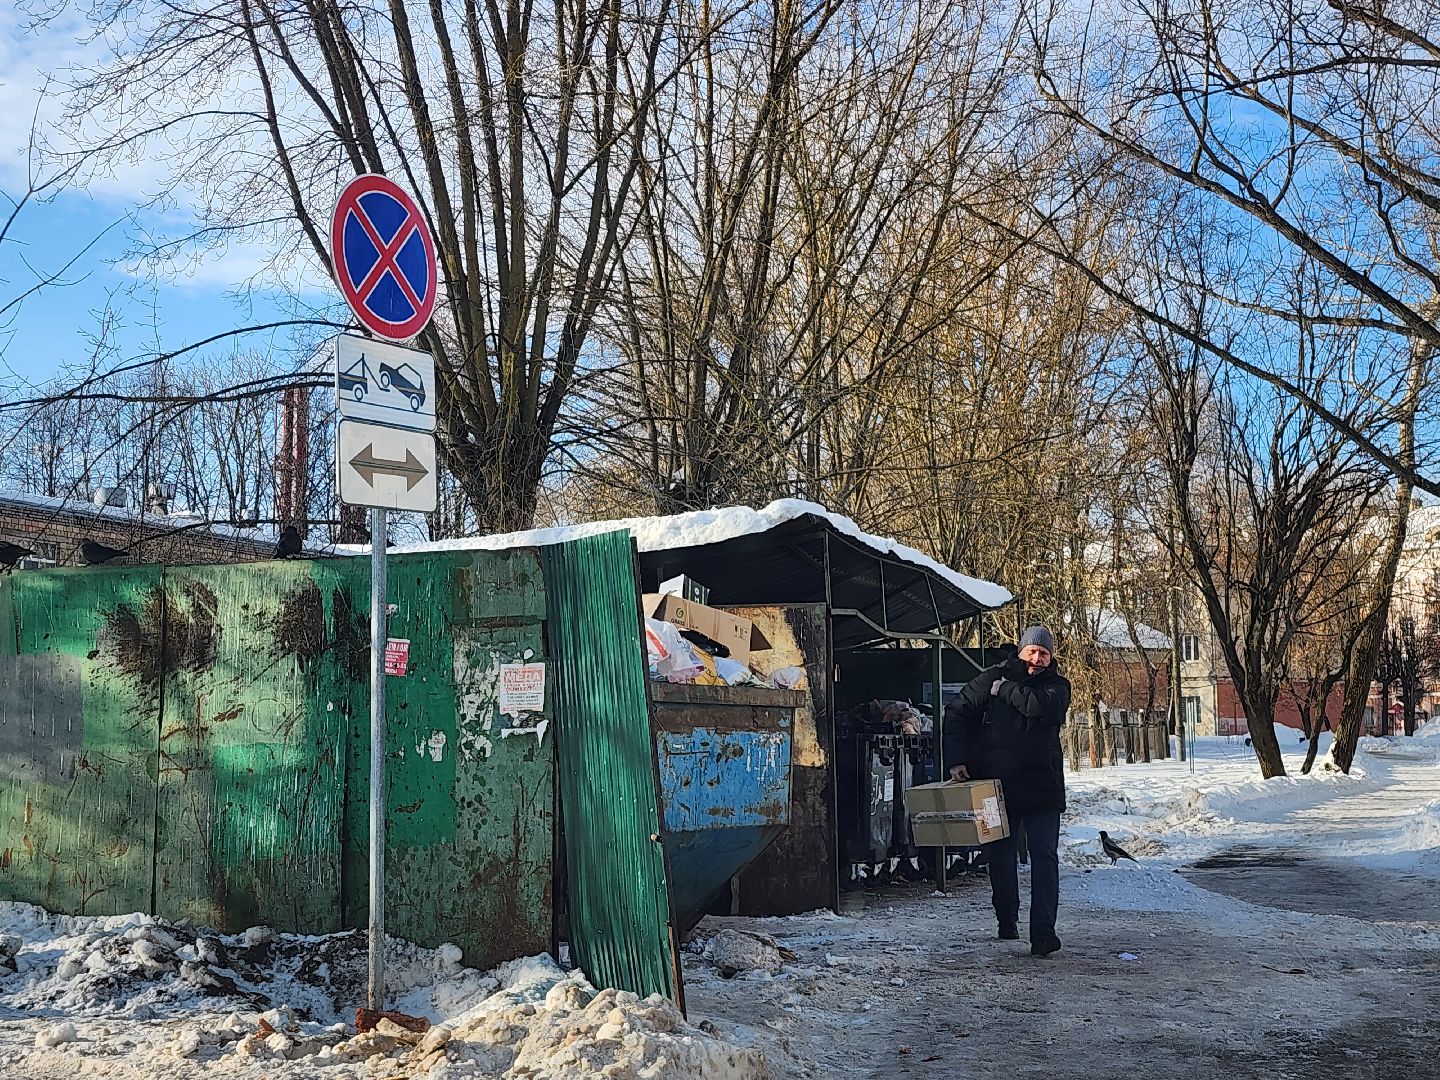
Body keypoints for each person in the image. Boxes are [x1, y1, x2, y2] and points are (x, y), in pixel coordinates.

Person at [942, 625, 1071, 956]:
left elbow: (1040, 708)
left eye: (1044, 653)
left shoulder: (1058, 686)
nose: (1038, 658)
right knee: (999, 855)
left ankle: (1043, 932)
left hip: (1044, 787)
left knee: (1045, 856)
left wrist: (1007, 690)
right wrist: (956, 759)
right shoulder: (990, 679)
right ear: (1021, 651)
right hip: (994, 787)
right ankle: (1006, 918)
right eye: (1033, 651)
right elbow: (956, 712)